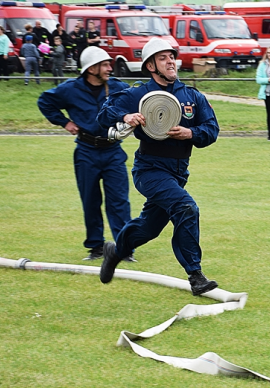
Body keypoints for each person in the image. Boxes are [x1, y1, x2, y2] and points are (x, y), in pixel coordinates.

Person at [97, 37, 220, 296]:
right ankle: (195, 275)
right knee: (186, 207)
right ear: (151, 65)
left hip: (178, 172)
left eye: (171, 57)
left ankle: (115, 251)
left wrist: (190, 133)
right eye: (163, 58)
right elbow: (103, 114)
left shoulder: (192, 96)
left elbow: (211, 130)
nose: (170, 61)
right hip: (149, 169)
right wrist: (126, 116)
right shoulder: (138, 94)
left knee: (148, 228)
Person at [38, 47, 133, 261]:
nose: (110, 68)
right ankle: (96, 247)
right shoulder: (70, 89)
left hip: (113, 150)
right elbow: (45, 101)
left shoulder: (117, 87)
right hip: (86, 151)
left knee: (119, 200)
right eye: (105, 64)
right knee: (90, 200)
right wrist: (64, 122)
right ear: (92, 68)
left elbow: (138, 101)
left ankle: (124, 248)